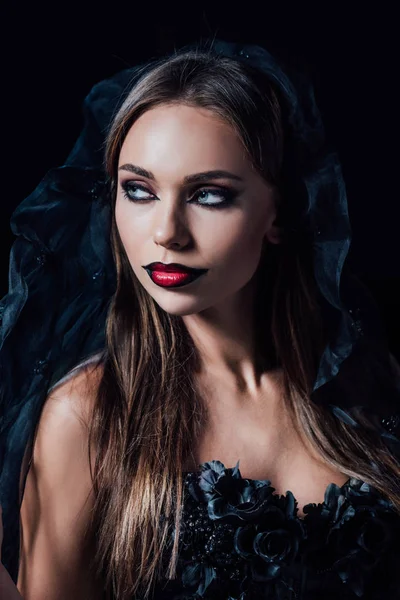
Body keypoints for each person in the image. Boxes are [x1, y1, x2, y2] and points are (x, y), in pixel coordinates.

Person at [0, 38, 400, 600]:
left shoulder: (369, 383)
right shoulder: (86, 418)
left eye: (208, 196)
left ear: (279, 213)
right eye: (137, 190)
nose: (166, 232)